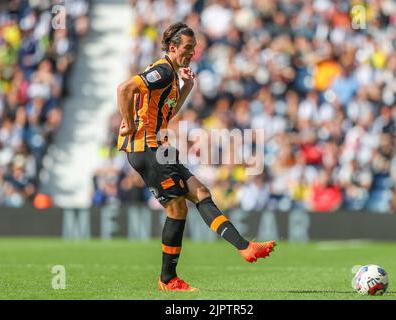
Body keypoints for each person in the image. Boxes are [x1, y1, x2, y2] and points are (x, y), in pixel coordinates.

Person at [116, 22, 276, 292]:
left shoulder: (174, 77)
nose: (191, 53)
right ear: (172, 47)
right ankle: (168, 279)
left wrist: (187, 87)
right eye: (187, 48)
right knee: (177, 208)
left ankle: (245, 247)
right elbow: (124, 89)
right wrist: (129, 123)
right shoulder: (164, 70)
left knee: (200, 192)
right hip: (147, 149)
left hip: (159, 148)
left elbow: (166, 113)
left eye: (194, 48)